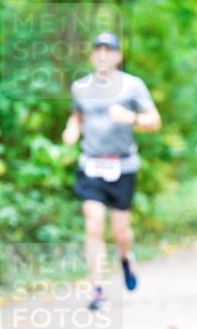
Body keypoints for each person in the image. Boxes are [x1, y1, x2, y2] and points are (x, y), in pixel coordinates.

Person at [62, 32, 161, 311]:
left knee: (120, 231)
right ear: (93, 55)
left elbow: (154, 121)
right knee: (93, 225)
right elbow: (78, 115)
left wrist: (131, 118)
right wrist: (72, 129)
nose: (103, 55)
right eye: (98, 50)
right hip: (91, 164)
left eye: (109, 50)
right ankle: (98, 290)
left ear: (119, 56)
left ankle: (127, 257)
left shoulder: (133, 86)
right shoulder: (80, 87)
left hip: (123, 165)